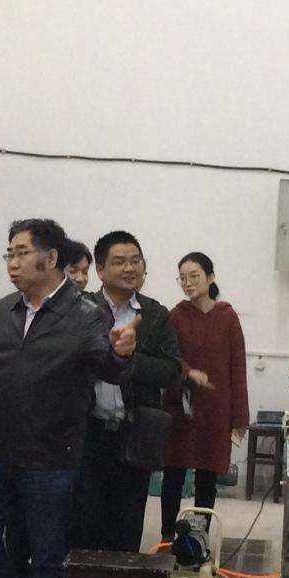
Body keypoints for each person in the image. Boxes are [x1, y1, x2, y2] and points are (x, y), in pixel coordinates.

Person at [0, 218, 138, 578]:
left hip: (51, 457)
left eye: (21, 253)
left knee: (46, 556)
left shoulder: (84, 315)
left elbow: (107, 367)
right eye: (9, 254)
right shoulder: (4, 309)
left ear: (50, 258)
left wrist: (121, 354)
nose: (12, 263)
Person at [73, 231, 182, 553]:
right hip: (86, 434)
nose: (129, 268)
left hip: (134, 435)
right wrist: (106, 354)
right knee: (85, 527)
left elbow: (172, 371)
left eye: (136, 261)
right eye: (119, 262)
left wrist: (128, 356)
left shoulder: (155, 314)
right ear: (100, 270)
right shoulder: (81, 311)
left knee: (127, 528)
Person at [161, 252, 249, 541]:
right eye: (182, 278)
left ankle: (198, 538)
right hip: (181, 405)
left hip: (215, 409)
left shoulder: (227, 316)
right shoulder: (175, 315)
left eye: (194, 276)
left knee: (207, 478)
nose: (188, 283)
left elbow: (237, 367)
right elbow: (169, 356)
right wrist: (188, 373)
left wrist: (240, 416)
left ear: (210, 278)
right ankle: (167, 536)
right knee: (173, 475)